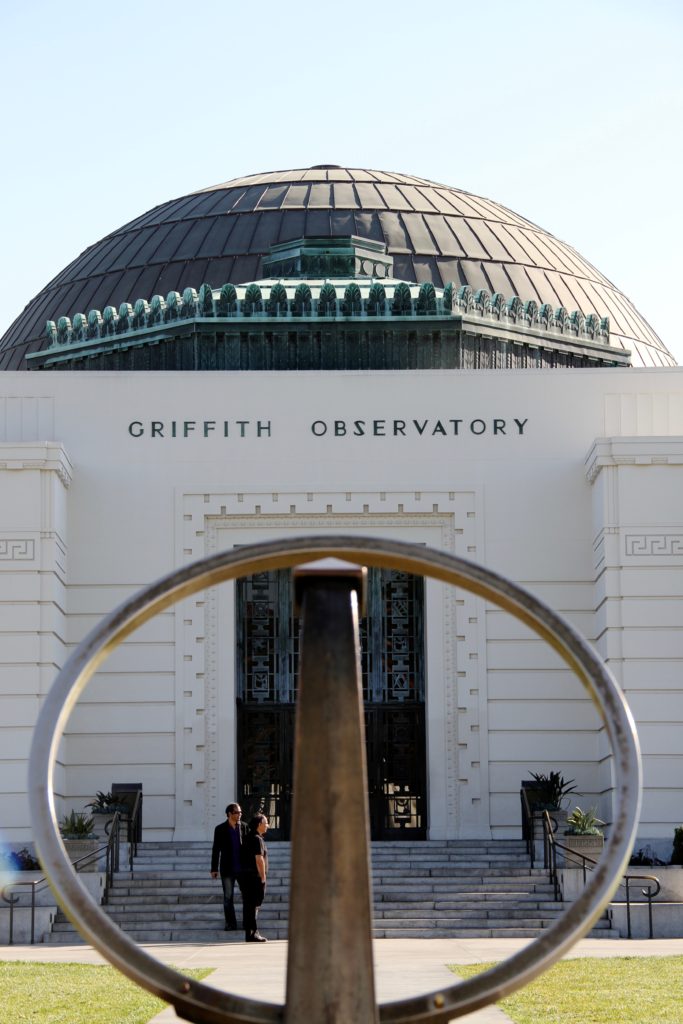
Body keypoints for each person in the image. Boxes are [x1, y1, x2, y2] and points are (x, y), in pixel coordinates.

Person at [210, 803, 246, 931]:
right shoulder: (220, 829)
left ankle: (247, 923)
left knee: (247, 896)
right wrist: (214, 869)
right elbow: (216, 850)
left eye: (240, 812)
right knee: (228, 897)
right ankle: (231, 923)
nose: (240, 814)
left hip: (243, 869)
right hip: (227, 869)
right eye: (237, 812)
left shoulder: (244, 827)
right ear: (229, 814)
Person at [241, 813, 269, 943]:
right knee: (254, 905)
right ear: (259, 824)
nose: (267, 825)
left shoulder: (247, 837)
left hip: (246, 876)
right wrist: (263, 877)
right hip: (255, 877)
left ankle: (250, 933)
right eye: (266, 823)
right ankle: (253, 933)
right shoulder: (257, 839)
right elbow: (259, 859)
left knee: (248, 905)